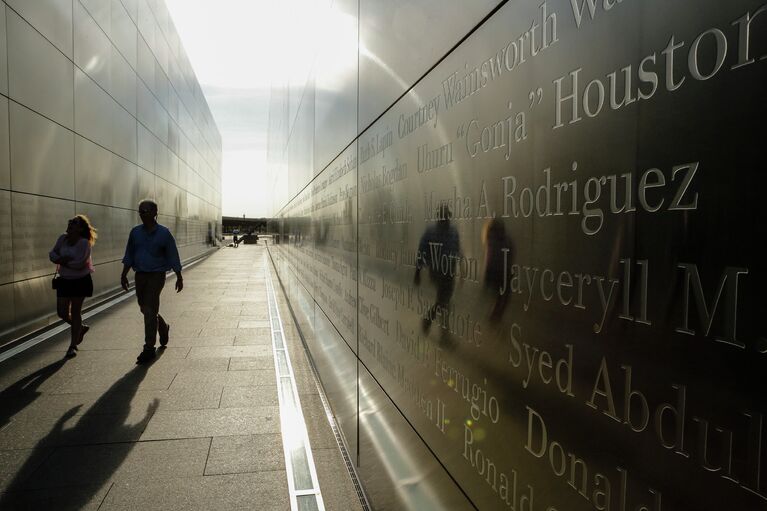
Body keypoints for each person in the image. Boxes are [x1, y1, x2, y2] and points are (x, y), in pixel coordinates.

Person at [120, 199, 183, 364]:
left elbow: (172, 254)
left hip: (157, 275)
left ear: (155, 212)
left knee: (149, 309)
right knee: (145, 308)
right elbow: (129, 255)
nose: (142, 215)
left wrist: (179, 275)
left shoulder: (164, 233)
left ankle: (149, 348)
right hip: (140, 275)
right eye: (140, 211)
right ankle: (162, 326)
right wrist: (124, 274)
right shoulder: (135, 233)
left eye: (146, 211)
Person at [49, 215, 97, 358]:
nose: (70, 224)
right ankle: (80, 328)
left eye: (74, 223)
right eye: (70, 222)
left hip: (80, 281)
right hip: (64, 280)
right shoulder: (62, 239)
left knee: (76, 312)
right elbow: (52, 253)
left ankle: (73, 346)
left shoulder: (84, 243)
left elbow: (80, 263)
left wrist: (63, 261)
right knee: (62, 312)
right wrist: (60, 259)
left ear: (80, 228)